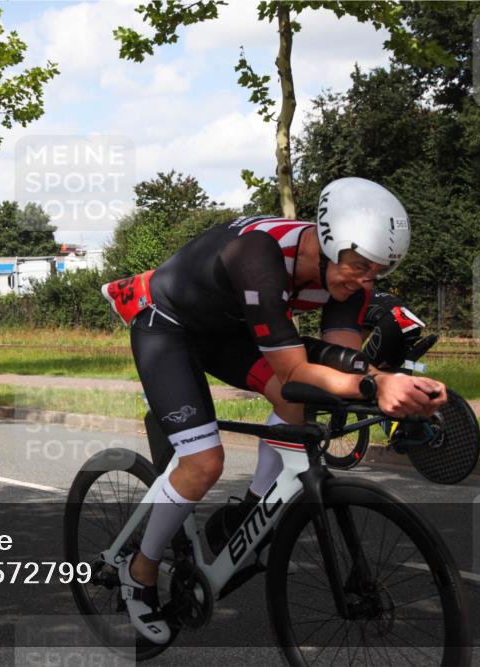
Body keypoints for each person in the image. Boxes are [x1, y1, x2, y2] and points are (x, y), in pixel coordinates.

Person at [101, 177, 447, 643]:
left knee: (294, 400)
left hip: (228, 332)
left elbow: (341, 364)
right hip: (168, 326)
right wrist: (375, 382)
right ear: (329, 243)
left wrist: (397, 392)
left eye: (377, 272)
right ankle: (139, 570)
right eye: (361, 266)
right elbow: (295, 370)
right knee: (203, 463)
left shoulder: (349, 280)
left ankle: (248, 514)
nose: (367, 281)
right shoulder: (258, 256)